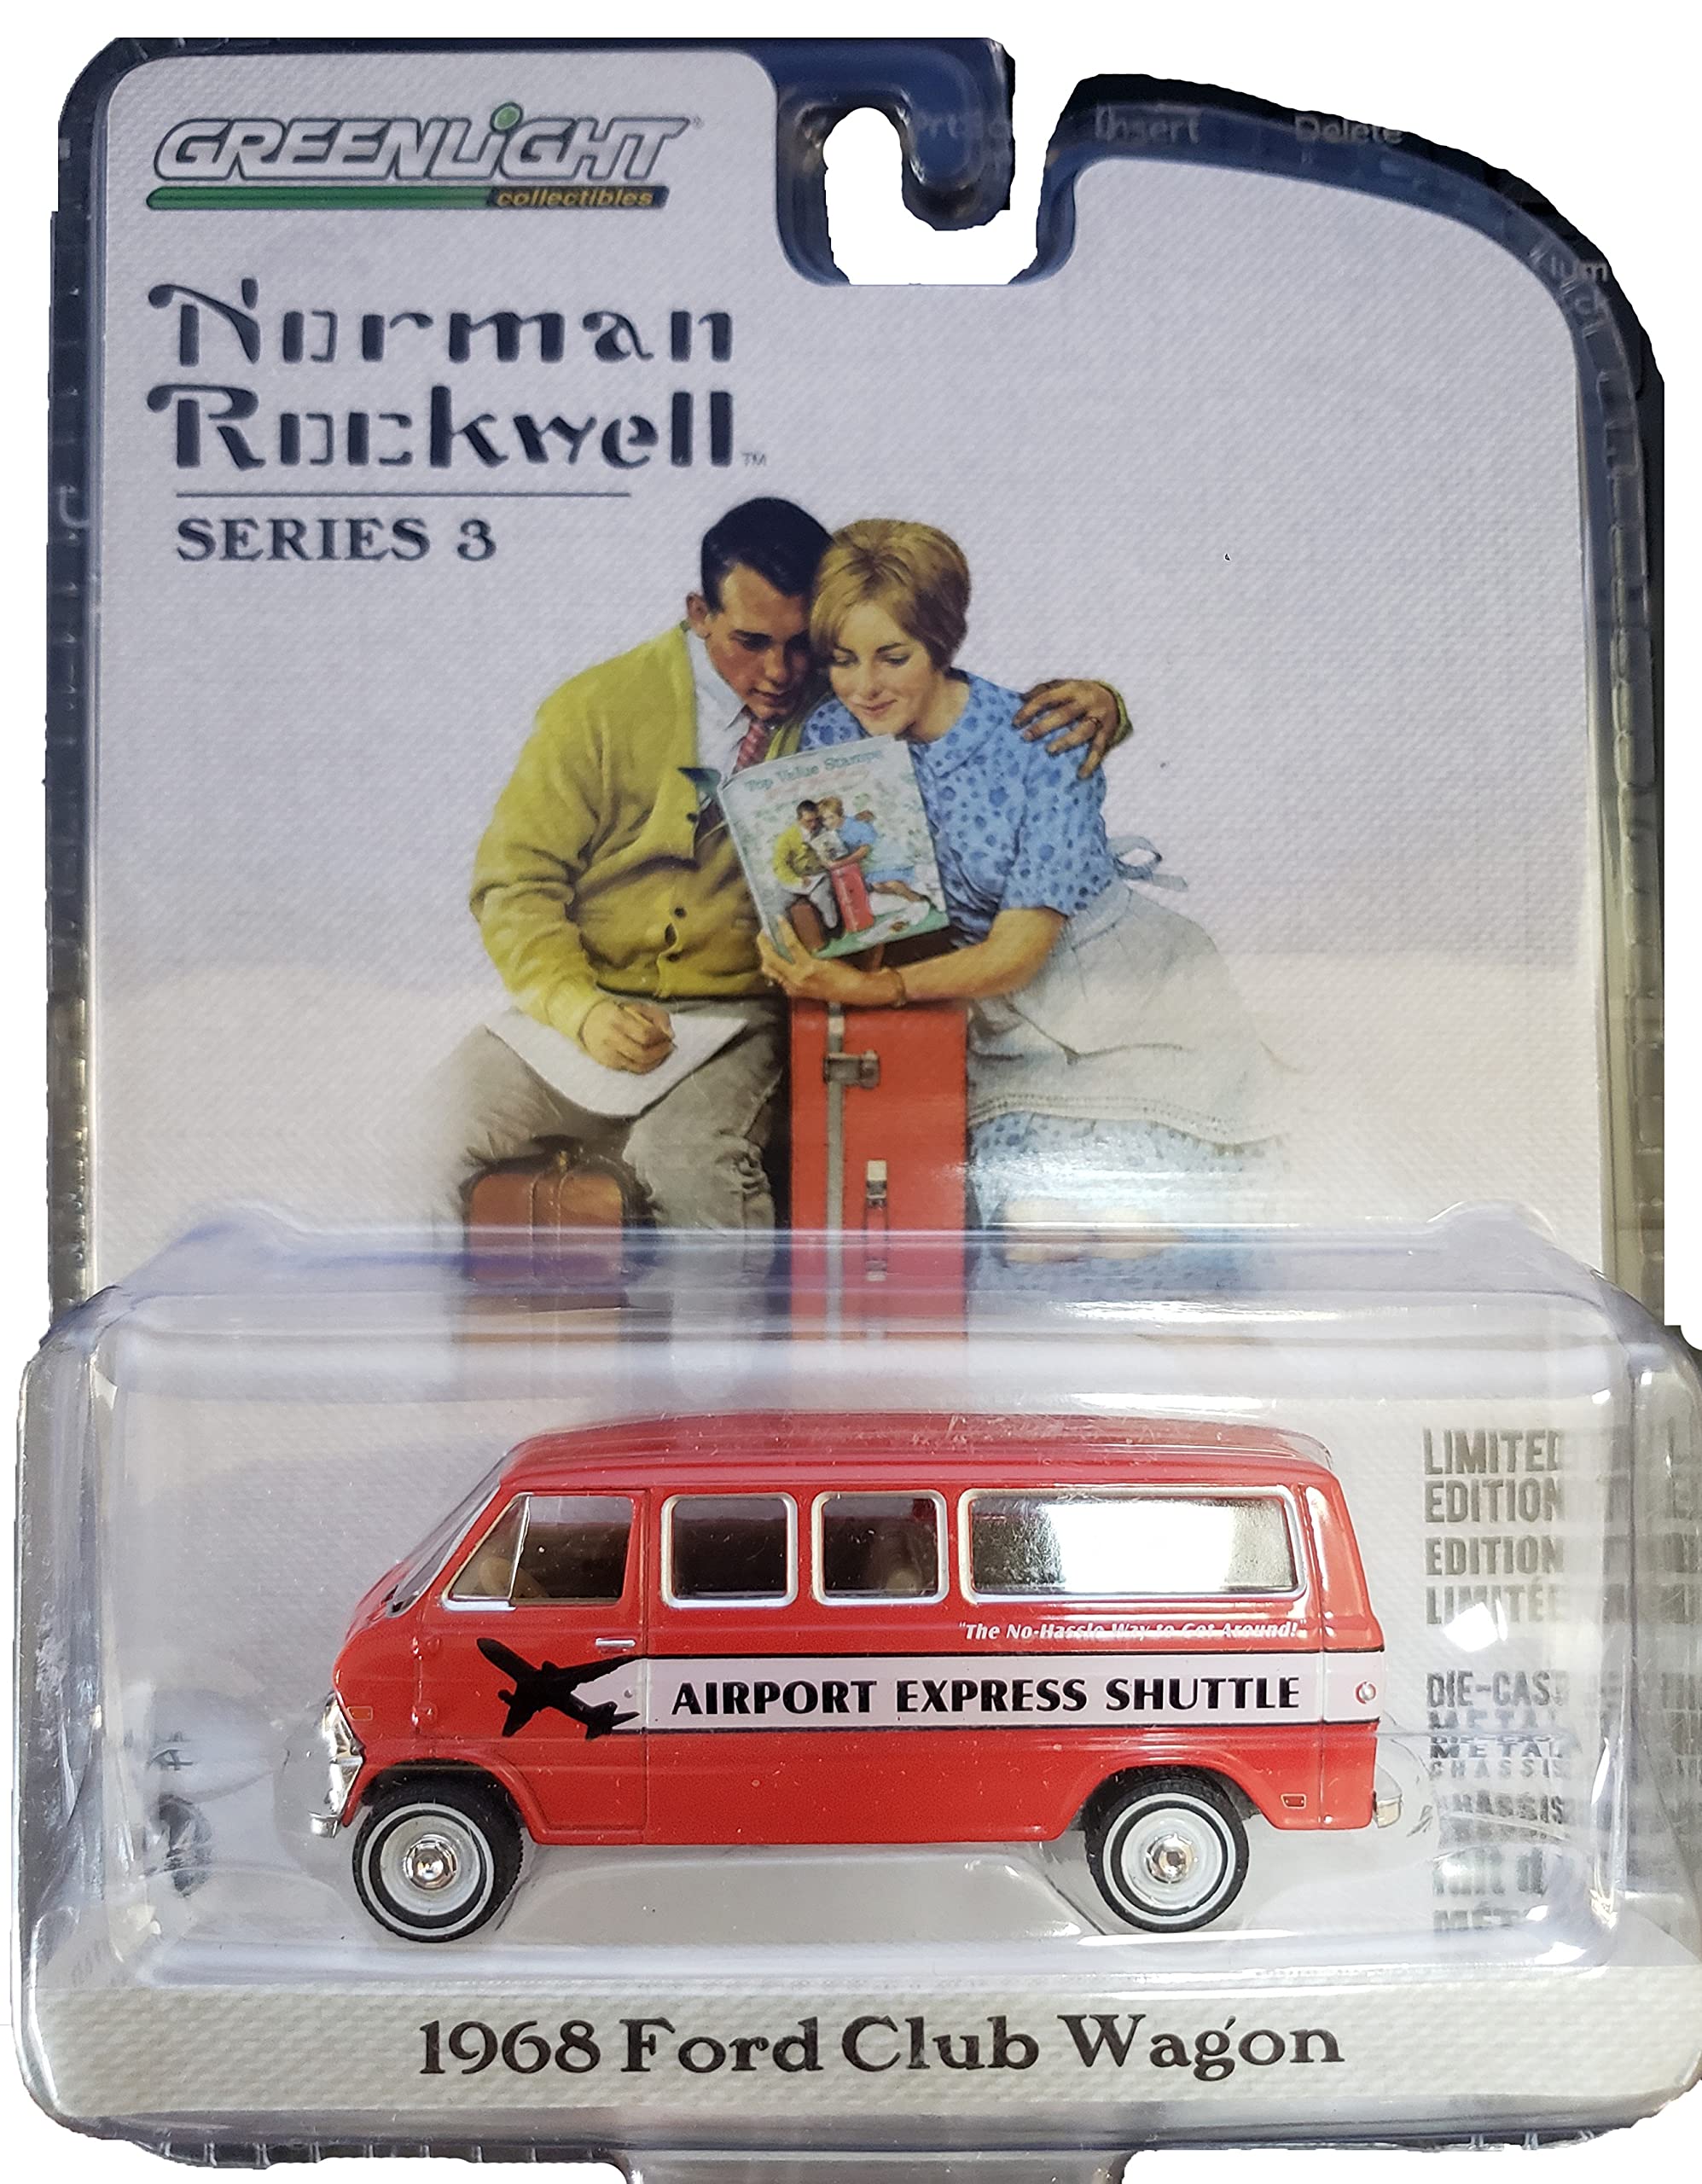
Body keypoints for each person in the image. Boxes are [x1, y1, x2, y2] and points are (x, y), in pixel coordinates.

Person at [436, 498, 1130, 1229]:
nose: (778, 673)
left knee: (691, 1163)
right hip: (585, 1002)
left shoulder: (846, 703)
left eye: (804, 647)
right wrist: (579, 1008)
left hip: (794, 1012)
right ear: (698, 614)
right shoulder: (609, 708)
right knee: (428, 1134)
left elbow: (932, 668)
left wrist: (1104, 705)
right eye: (751, 641)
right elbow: (515, 884)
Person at [758, 519, 1282, 1231]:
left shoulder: (1043, 740)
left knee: (1134, 1231)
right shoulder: (832, 735)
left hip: (1132, 1000)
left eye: (893, 657)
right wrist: (797, 938)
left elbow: (1017, 952)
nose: (864, 687)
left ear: (940, 643)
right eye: (843, 660)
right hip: (1001, 1021)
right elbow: (847, 894)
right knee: (1037, 1234)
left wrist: (875, 989)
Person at [771, 800, 839, 955]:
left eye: (816, 820)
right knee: (780, 904)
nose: (813, 824)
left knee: (821, 898)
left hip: (818, 875)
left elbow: (834, 850)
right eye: (809, 821)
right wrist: (796, 880)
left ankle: (832, 929)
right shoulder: (787, 838)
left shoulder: (823, 831)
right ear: (799, 820)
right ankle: (788, 939)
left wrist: (828, 857)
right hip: (796, 878)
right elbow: (779, 865)